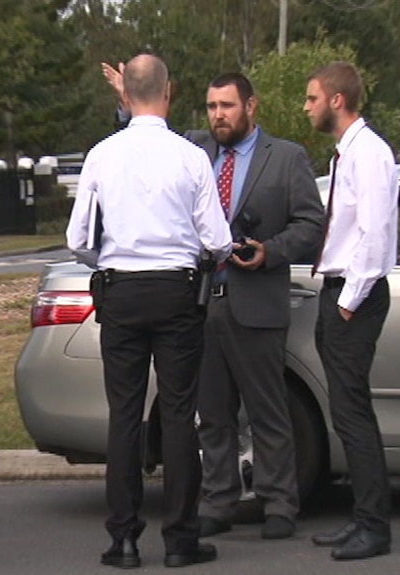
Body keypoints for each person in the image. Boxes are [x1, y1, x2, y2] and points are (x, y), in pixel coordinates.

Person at [102, 65, 324, 540]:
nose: (219, 116)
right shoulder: (194, 149)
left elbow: (311, 226)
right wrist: (129, 99)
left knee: (268, 410)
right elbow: (141, 142)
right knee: (211, 412)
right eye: (211, 107)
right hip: (197, 301)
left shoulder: (285, 158)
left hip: (256, 298)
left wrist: (271, 251)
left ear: (250, 106)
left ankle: (279, 502)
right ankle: (219, 499)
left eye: (227, 106)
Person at [68, 54, 232, 569]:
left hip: (119, 289)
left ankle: (123, 538)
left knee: (125, 415)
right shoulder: (189, 156)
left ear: (125, 95)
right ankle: (180, 539)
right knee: (180, 415)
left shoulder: (101, 155)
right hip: (177, 290)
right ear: (169, 91)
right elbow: (218, 240)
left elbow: (77, 238)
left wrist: (111, 260)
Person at [303, 61, 398, 561]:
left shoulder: (370, 154)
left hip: (353, 295)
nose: (307, 106)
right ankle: (362, 517)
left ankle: (374, 527)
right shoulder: (347, 154)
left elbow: (375, 233)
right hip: (337, 290)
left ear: (337, 99)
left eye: (312, 97)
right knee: (344, 411)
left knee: (353, 412)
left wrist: (346, 302)